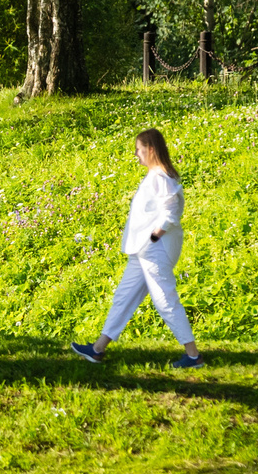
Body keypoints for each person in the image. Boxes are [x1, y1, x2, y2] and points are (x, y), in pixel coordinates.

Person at [70, 127, 203, 368]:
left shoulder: (162, 178)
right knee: (124, 297)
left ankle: (193, 356)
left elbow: (171, 213)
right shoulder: (155, 176)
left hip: (154, 250)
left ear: (151, 149)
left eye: (139, 150)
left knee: (165, 299)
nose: (136, 154)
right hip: (142, 251)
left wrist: (154, 237)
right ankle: (97, 349)